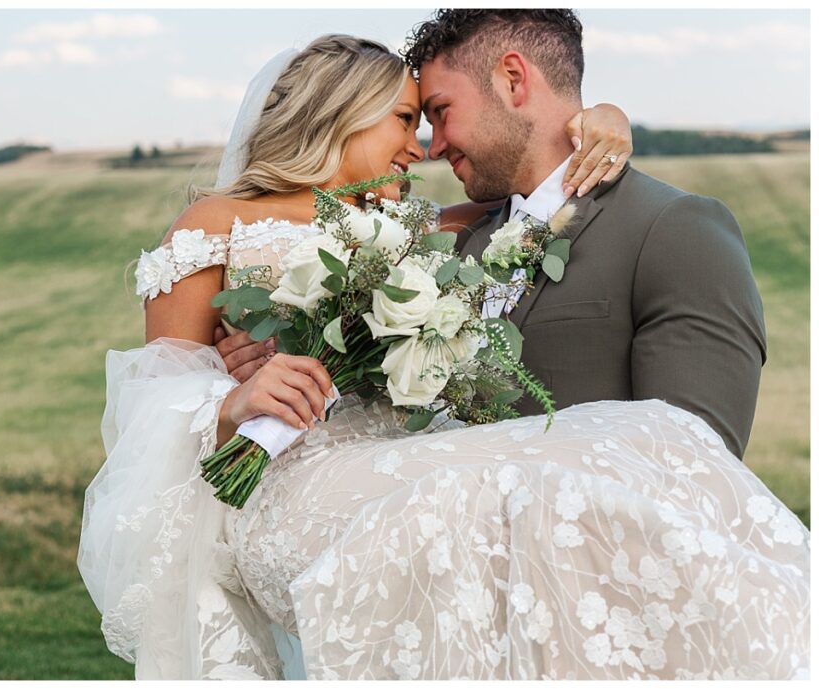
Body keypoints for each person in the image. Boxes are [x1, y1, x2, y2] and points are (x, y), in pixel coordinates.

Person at [77, 33, 809, 680]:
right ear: (338, 113)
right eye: (405, 118)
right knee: (512, 484)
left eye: (427, 119)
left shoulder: (406, 227)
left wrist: (603, 120)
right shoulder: (214, 225)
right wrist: (234, 402)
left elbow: (540, 199)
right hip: (283, 488)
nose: (420, 145)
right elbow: (154, 396)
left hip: (386, 467)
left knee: (626, 446)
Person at [401, 9, 767, 459]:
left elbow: (694, 467)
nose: (433, 146)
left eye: (441, 112)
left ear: (513, 79)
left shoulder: (675, 230)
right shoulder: (462, 243)